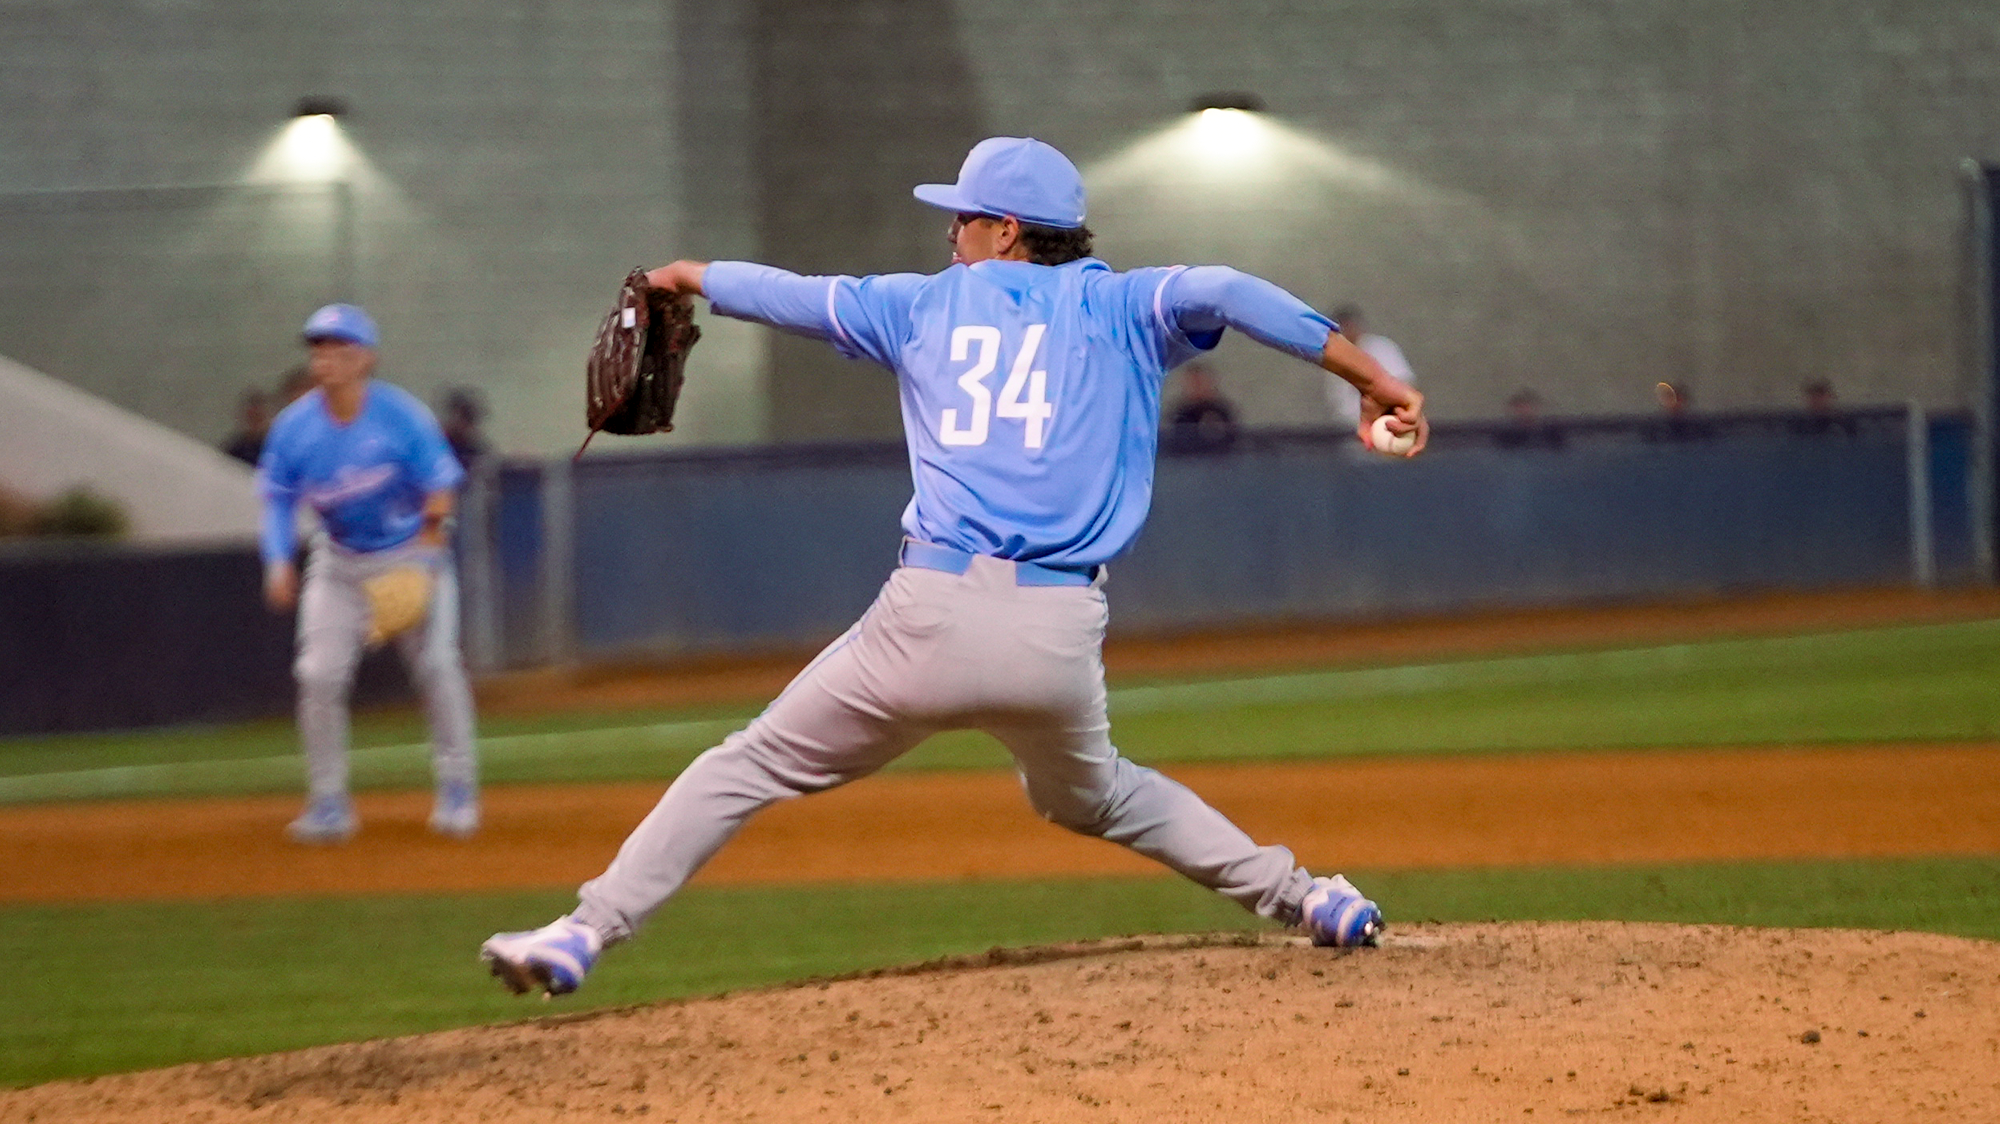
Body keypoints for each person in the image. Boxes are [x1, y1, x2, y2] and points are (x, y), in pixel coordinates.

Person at [480, 136, 1426, 997]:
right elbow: (1231, 289)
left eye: (966, 216)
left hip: (925, 620)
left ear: (1008, 230)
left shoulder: (921, 304)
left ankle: (584, 931)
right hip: (1056, 639)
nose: (951, 232)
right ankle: (1309, 899)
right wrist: (1374, 379)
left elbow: (789, 293)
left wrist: (689, 274)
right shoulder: (1126, 304)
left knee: (750, 764)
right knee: (1100, 795)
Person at [256, 303, 481, 844]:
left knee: (438, 665)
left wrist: (426, 561)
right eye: (319, 348)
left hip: (410, 553)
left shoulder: (401, 416)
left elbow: (441, 487)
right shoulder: (294, 428)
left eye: (340, 348)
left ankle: (458, 790)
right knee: (318, 675)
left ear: (366, 358)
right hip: (339, 563)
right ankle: (328, 803)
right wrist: (278, 560)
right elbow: (277, 499)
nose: (326, 358)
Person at [1323, 303, 1415, 432]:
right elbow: (1339, 402)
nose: (1348, 332)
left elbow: (1405, 383)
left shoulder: (1381, 348)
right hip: (1353, 430)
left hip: (1390, 425)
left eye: (1350, 326)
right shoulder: (1333, 357)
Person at [1163, 361, 1239, 454]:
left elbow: (1231, 441)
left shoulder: (1221, 411)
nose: (1196, 386)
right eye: (1192, 382)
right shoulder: (1181, 414)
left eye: (1200, 382)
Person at [440, 387, 491, 467]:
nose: (469, 426)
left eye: (472, 419)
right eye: (466, 417)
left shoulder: (477, 452)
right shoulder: (435, 443)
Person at [220, 389, 273, 466]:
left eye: (258, 418)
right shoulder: (235, 449)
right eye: (251, 418)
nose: (254, 423)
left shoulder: (272, 448)